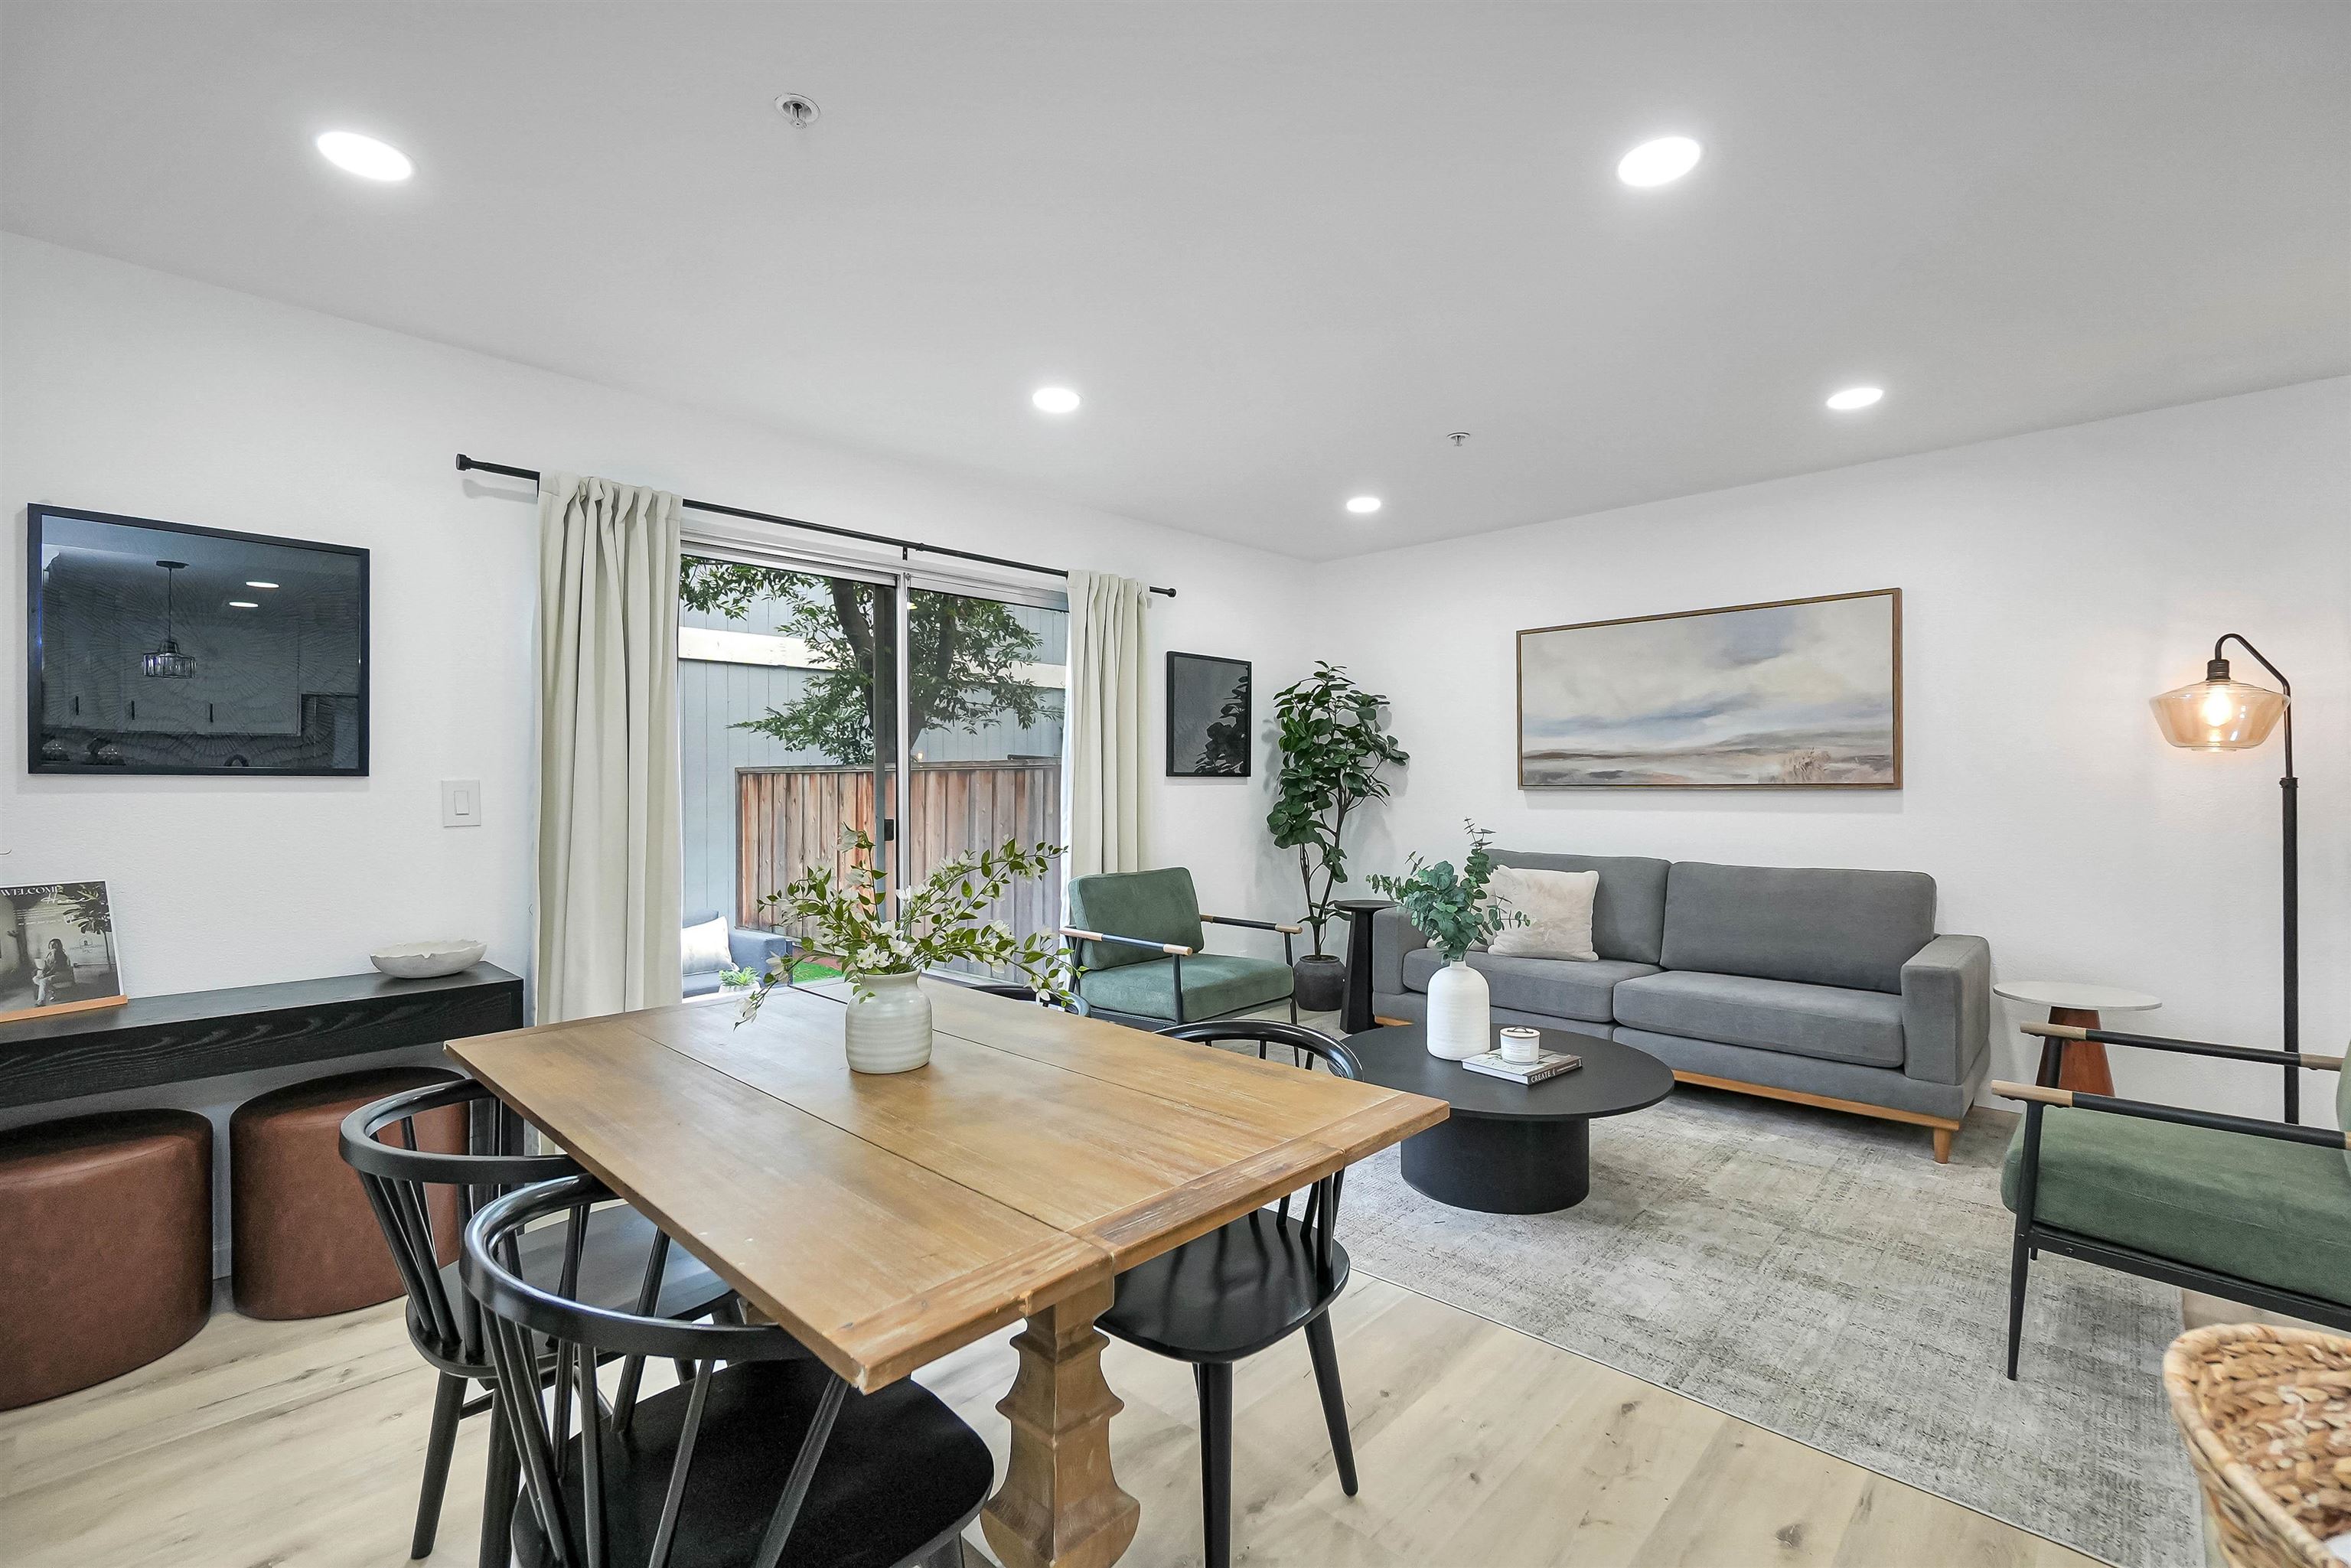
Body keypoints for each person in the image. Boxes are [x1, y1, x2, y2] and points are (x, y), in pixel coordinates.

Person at [33, 938, 71, 1006]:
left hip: (62, 974)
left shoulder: (60, 954)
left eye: (56, 944)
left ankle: (41, 1002)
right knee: (36, 978)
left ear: (59, 945)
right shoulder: (49, 955)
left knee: (43, 982)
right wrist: (43, 974)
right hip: (53, 974)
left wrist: (46, 975)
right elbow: (46, 966)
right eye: (52, 944)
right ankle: (54, 991)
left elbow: (56, 967)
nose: (53, 946)